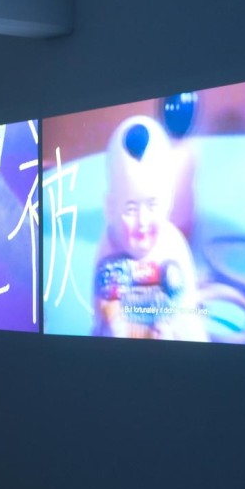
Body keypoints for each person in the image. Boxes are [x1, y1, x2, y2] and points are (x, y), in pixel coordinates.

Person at [91, 116, 206, 341]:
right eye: (130, 209)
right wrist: (110, 327)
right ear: (110, 208)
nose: (142, 221)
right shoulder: (107, 253)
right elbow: (99, 315)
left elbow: (190, 317)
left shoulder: (173, 246)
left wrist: (173, 331)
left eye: (152, 205)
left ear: (168, 202)